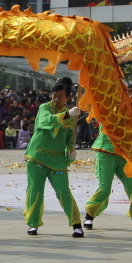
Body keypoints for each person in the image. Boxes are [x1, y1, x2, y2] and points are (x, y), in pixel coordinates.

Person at [83, 88, 132, 231]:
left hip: (124, 156)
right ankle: (89, 215)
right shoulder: (111, 106)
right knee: (105, 188)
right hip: (106, 152)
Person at [23, 77, 83, 237]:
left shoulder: (72, 115)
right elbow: (45, 121)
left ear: (68, 98)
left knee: (63, 192)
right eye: (54, 95)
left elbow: (70, 137)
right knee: (36, 191)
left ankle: (76, 224)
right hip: (37, 157)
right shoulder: (44, 108)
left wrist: (71, 152)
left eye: (61, 96)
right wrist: (67, 115)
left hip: (57, 160)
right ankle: (33, 224)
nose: (56, 99)